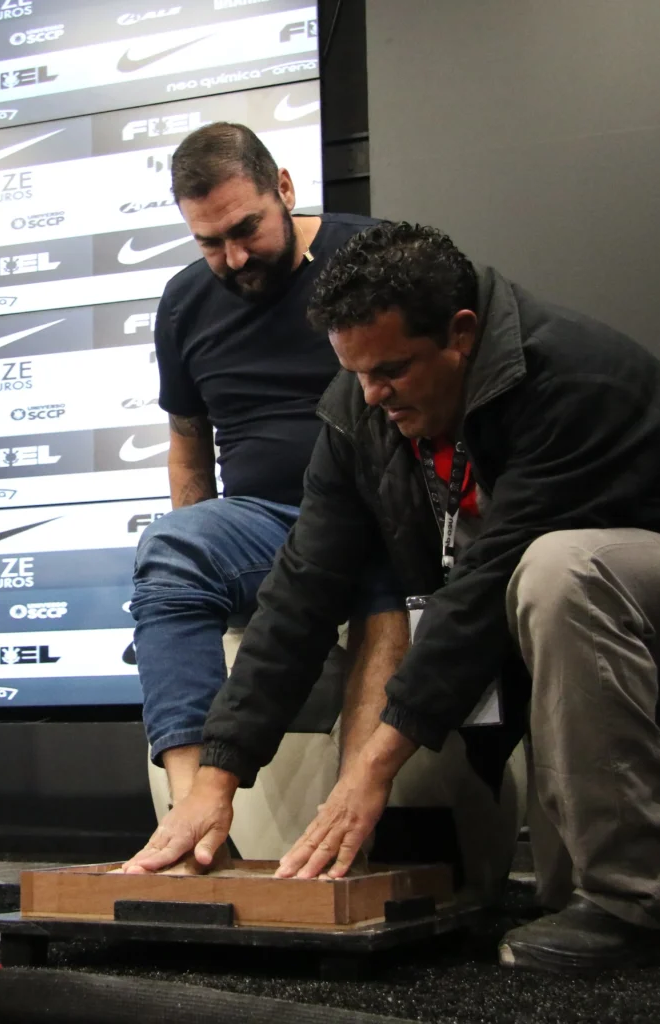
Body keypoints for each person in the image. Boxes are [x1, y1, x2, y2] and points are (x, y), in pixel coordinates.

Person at [126, 222, 660, 972]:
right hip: (566, 630)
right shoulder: (361, 406)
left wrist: (368, 770)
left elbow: (482, 590)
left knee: (557, 567)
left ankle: (639, 916)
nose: (372, 396)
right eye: (356, 373)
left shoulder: (576, 378)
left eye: (392, 371)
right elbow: (300, 591)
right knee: (568, 884)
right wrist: (216, 779)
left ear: (461, 334)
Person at [129, 122, 406, 818]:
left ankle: (351, 822)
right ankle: (193, 819)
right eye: (209, 242)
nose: (234, 255)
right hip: (268, 523)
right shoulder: (185, 302)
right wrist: (197, 529)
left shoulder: (370, 258)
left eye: (247, 228)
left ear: (283, 187)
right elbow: (188, 441)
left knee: (371, 551)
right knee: (169, 550)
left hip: (379, 508)